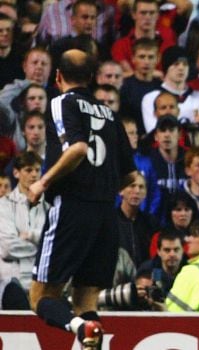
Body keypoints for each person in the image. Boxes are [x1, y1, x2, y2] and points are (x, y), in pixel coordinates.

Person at [28, 49, 136, 349]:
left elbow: (76, 149)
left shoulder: (62, 102)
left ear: (58, 76)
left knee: (40, 298)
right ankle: (88, 328)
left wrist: (41, 183)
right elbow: (130, 177)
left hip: (72, 208)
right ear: (90, 78)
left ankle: (80, 327)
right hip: (106, 215)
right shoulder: (111, 114)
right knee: (85, 299)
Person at [0, 152, 48, 291]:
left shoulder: (50, 207)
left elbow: (57, 243)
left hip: (42, 284)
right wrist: (41, 248)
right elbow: (7, 247)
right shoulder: (3, 205)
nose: (34, 175)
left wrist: (30, 235)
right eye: (28, 170)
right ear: (16, 173)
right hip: (10, 283)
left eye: (37, 170)